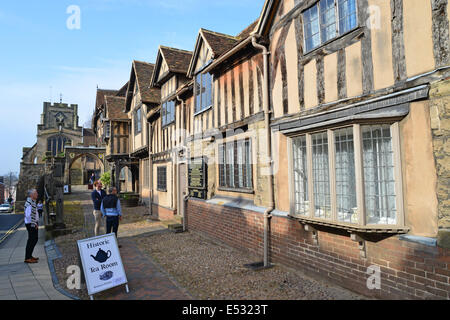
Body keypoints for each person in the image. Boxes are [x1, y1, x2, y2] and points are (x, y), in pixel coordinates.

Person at [24, 189, 39, 264]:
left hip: (32, 223)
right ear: (31, 195)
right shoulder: (30, 203)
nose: (37, 194)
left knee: (34, 239)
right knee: (31, 240)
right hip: (31, 224)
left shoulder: (32, 202)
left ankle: (29, 256)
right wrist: (34, 224)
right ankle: (27, 257)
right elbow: (27, 215)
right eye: (36, 193)